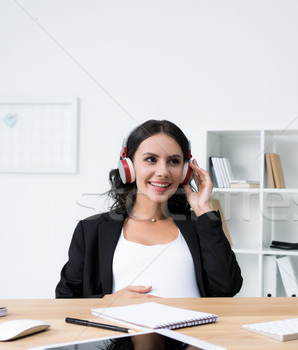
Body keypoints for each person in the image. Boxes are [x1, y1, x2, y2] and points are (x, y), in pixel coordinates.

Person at [55, 119, 242, 298]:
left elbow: (227, 288)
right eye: (151, 159)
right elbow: (66, 300)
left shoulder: (200, 226)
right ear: (128, 167)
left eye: (174, 161)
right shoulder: (91, 230)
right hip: (125, 332)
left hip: (192, 331)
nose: (163, 172)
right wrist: (107, 302)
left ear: (186, 172)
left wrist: (203, 209)